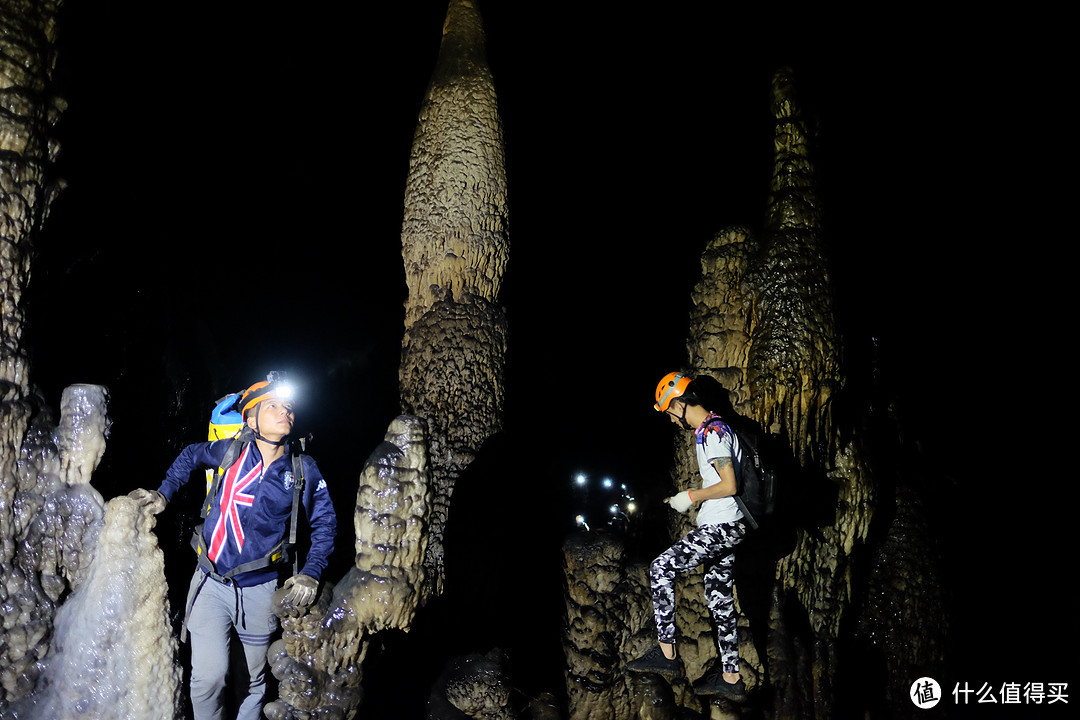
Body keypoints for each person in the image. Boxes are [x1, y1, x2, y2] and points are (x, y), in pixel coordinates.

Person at [130, 371, 337, 720]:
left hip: (260, 589)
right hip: (212, 582)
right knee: (208, 678)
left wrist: (311, 574)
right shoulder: (231, 451)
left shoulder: (303, 469)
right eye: (273, 405)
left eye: (288, 406)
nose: (284, 411)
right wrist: (164, 493)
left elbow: (325, 523)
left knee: (254, 680)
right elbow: (191, 456)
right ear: (252, 418)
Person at [626, 371, 748, 702]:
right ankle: (731, 677)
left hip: (721, 526)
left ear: (680, 403)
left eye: (668, 411)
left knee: (661, 568)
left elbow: (730, 485)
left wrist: (690, 496)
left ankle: (667, 654)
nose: (669, 418)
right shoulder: (711, 430)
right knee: (719, 596)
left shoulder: (713, 433)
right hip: (728, 525)